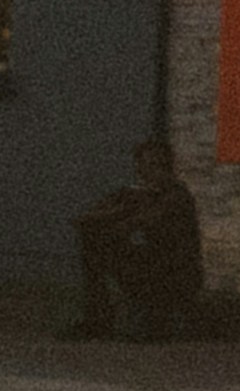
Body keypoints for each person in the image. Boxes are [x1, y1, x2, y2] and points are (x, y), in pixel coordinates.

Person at [66, 140, 204, 341]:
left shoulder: (176, 195)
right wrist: (116, 210)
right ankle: (98, 317)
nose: (148, 172)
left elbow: (142, 221)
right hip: (152, 262)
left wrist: (126, 213)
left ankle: (139, 320)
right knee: (93, 242)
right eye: (145, 166)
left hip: (176, 271)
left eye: (156, 166)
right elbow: (84, 219)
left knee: (107, 245)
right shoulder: (136, 193)